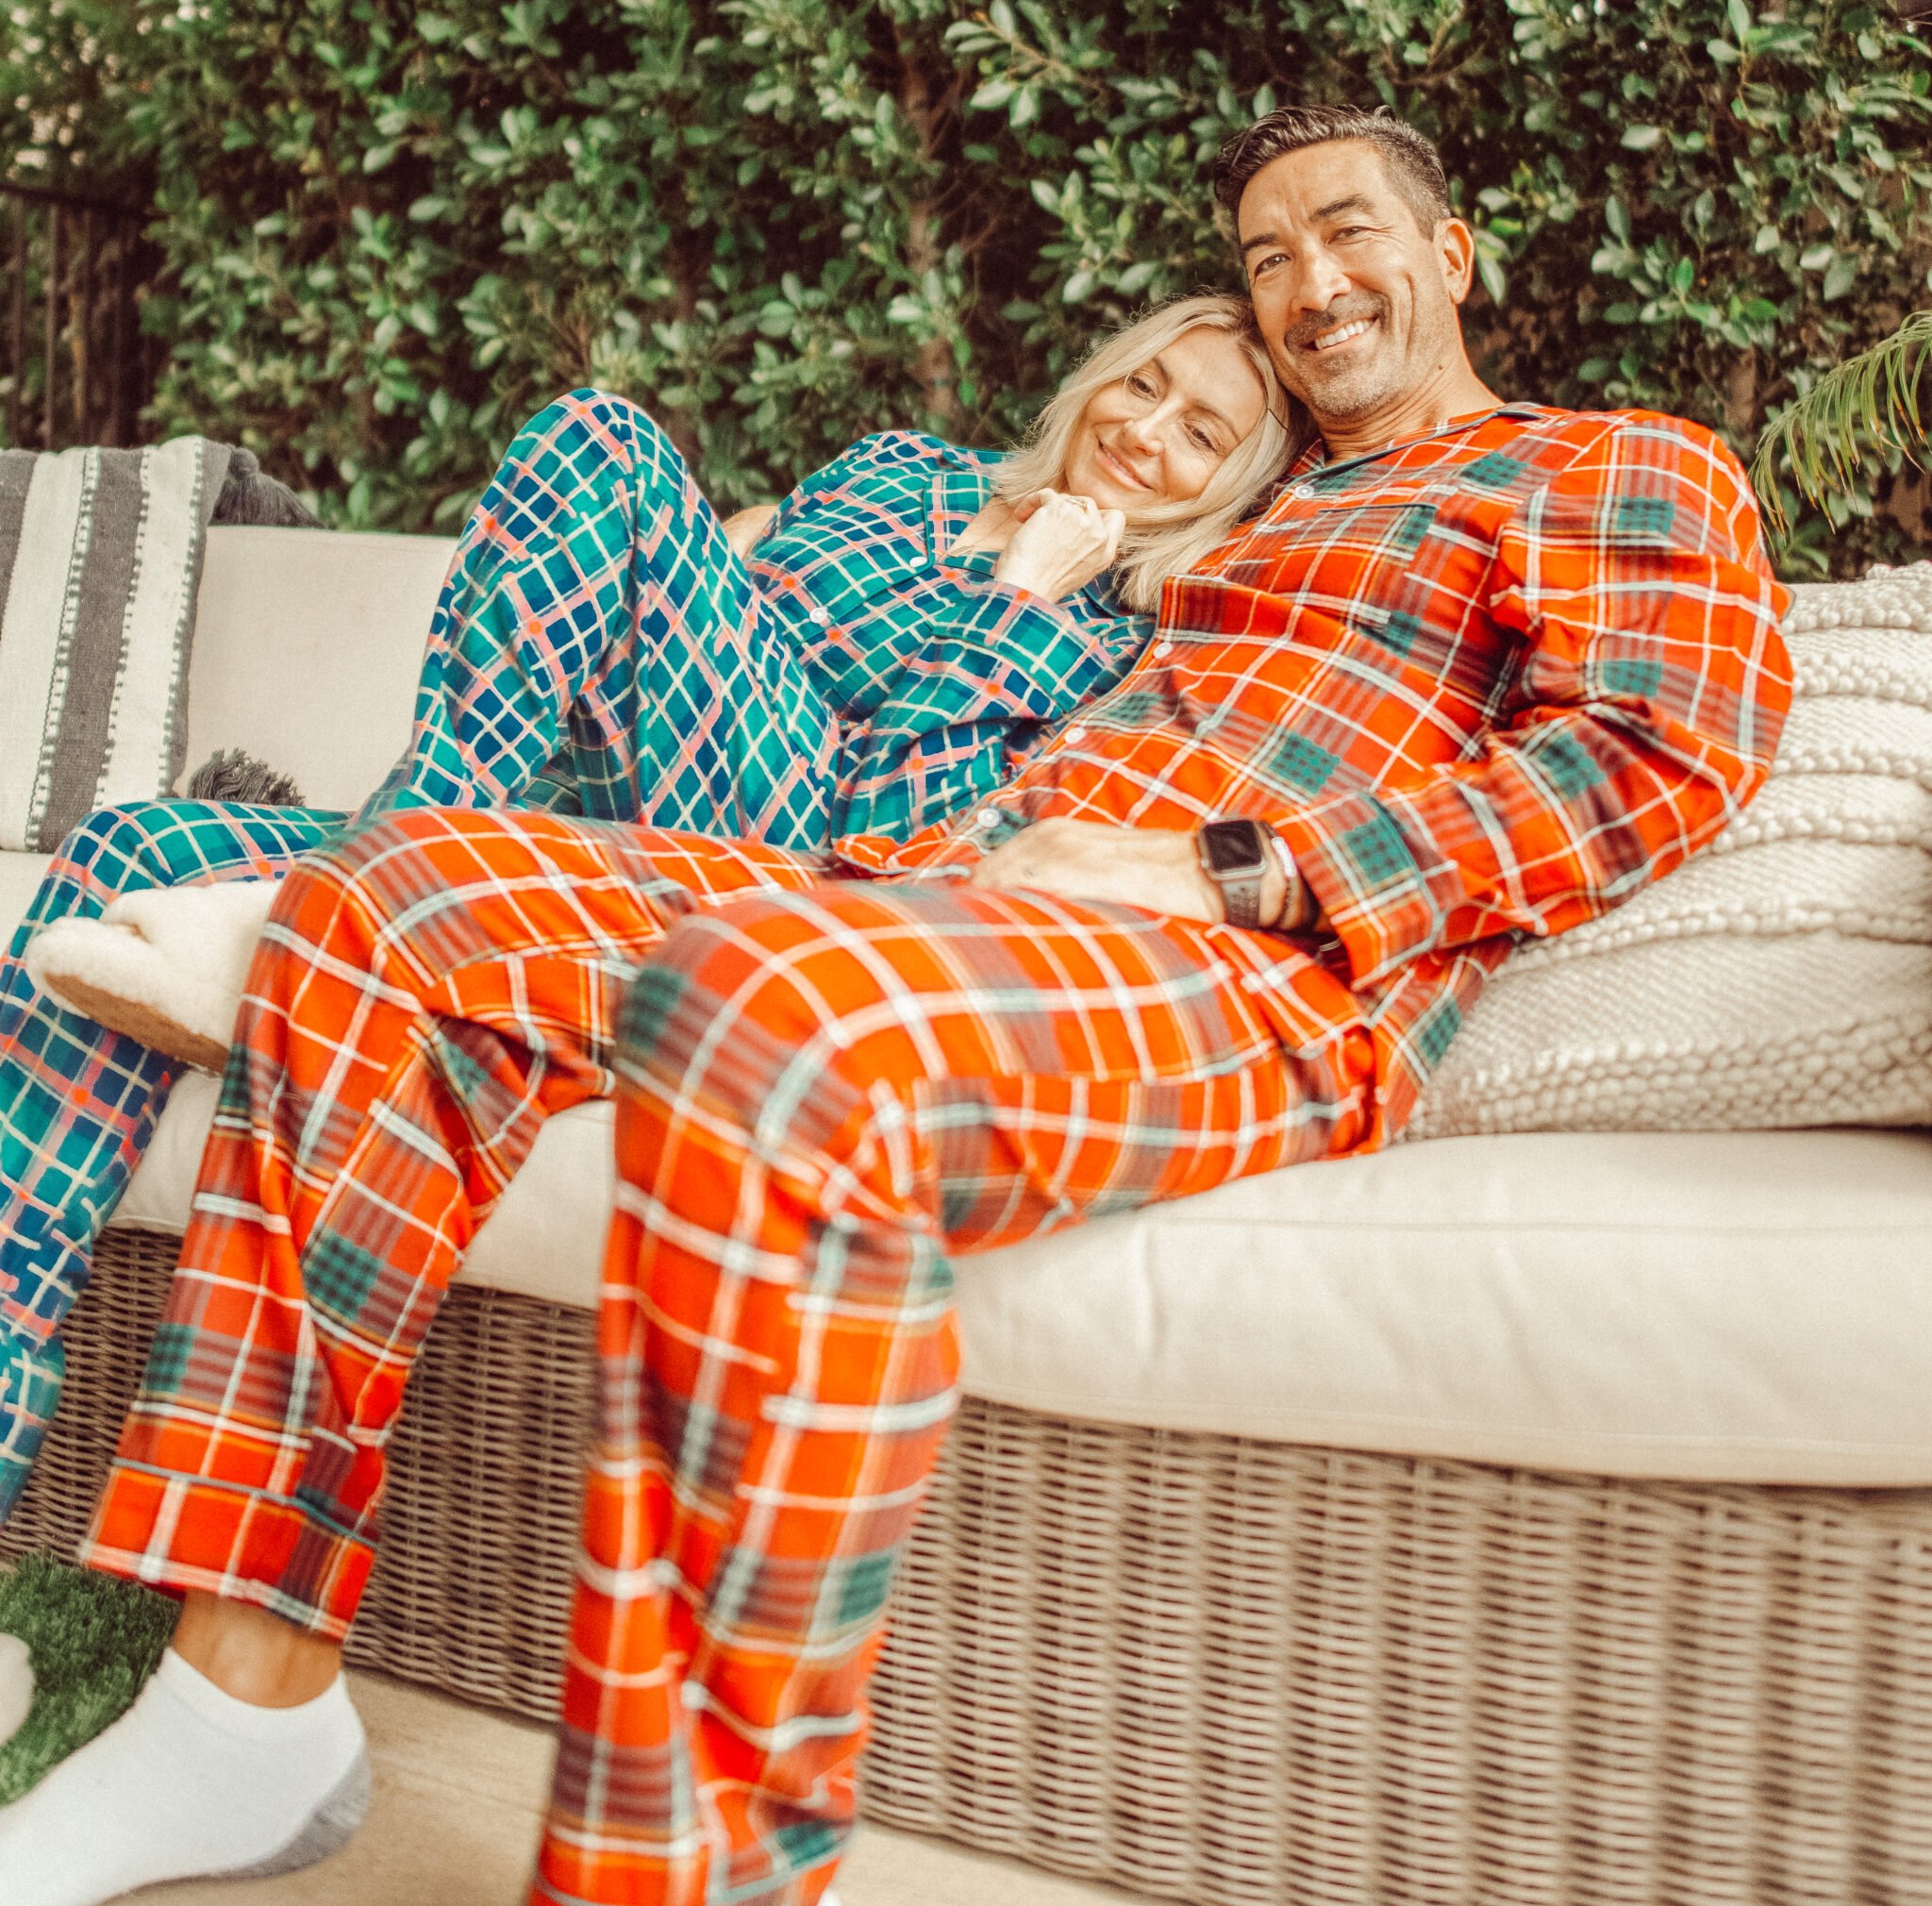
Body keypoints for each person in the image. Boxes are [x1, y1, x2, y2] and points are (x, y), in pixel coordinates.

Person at [0, 102, 1792, 1906]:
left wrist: (1224, 868)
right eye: (1267, 253)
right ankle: (245, 1712)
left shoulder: (1607, 468)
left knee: (763, 1027)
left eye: (1347, 232)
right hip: (919, 888)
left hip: (1237, 963)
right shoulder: (1204, 532)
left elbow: (1657, 750)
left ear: (1453, 252)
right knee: (384, 902)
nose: (1309, 282)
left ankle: (681, 1877)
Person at [0, 296, 1287, 1522]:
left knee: (602, 436)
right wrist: (694, 573)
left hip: (761, 864)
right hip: (573, 810)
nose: (1146, 428)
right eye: (1147, 381)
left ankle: (349, 897)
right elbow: (671, 621)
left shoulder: (1114, 645)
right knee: (135, 849)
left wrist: (1018, 595)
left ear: (1227, 491)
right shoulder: (901, 470)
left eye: (1200, 435)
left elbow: (886, 831)